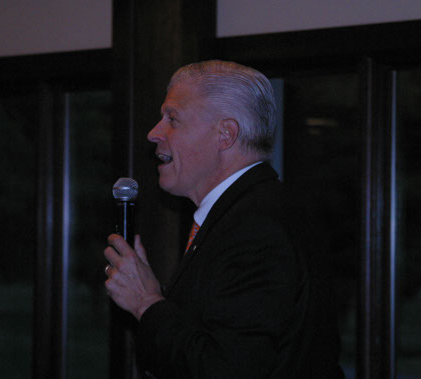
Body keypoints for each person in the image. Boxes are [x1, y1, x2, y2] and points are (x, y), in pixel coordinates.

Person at [104, 60, 343, 378]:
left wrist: (146, 302)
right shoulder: (245, 212)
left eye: (172, 118)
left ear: (225, 134)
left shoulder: (256, 227)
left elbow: (227, 369)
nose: (153, 133)